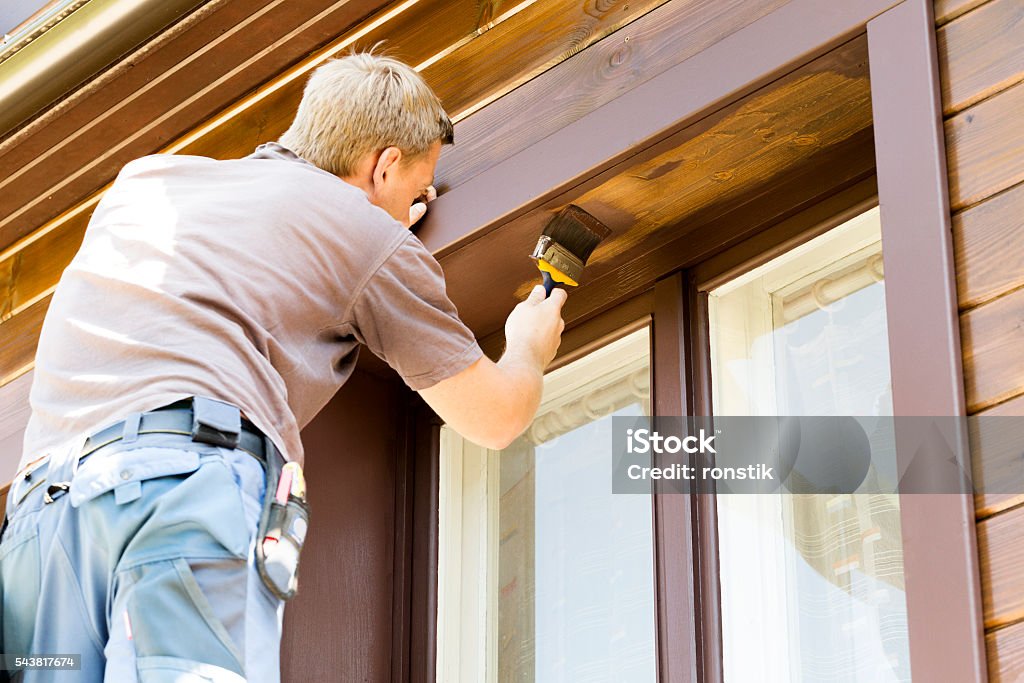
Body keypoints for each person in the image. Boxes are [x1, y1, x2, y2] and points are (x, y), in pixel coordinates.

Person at [0, 53, 566, 681]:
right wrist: (528, 349)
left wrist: (375, 216)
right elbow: (494, 418)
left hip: (40, 523)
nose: (416, 207)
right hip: (179, 491)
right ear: (383, 165)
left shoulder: (144, 184)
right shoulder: (364, 236)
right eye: (415, 190)